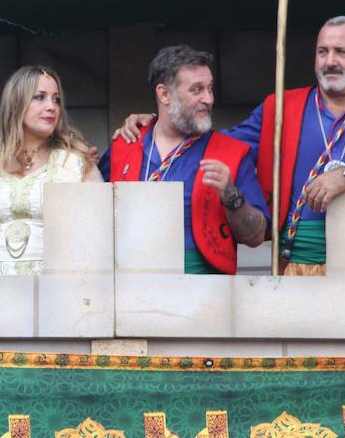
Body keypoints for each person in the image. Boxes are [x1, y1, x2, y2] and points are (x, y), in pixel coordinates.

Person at [116, 17, 345, 274]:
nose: (330, 61)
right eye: (322, 51)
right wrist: (158, 122)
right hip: (290, 267)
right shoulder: (279, 109)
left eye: (341, 52)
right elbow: (210, 143)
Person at [102, 46, 268, 274]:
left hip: (203, 292)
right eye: (196, 90)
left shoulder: (232, 153)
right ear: (164, 94)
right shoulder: (124, 145)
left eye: (210, 88)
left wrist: (232, 197)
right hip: (131, 287)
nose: (208, 99)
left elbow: (256, 236)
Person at [0, 66, 102, 275]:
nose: (52, 106)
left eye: (56, 99)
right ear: (16, 103)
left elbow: (96, 238)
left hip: (57, 290)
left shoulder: (76, 161)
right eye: (40, 97)